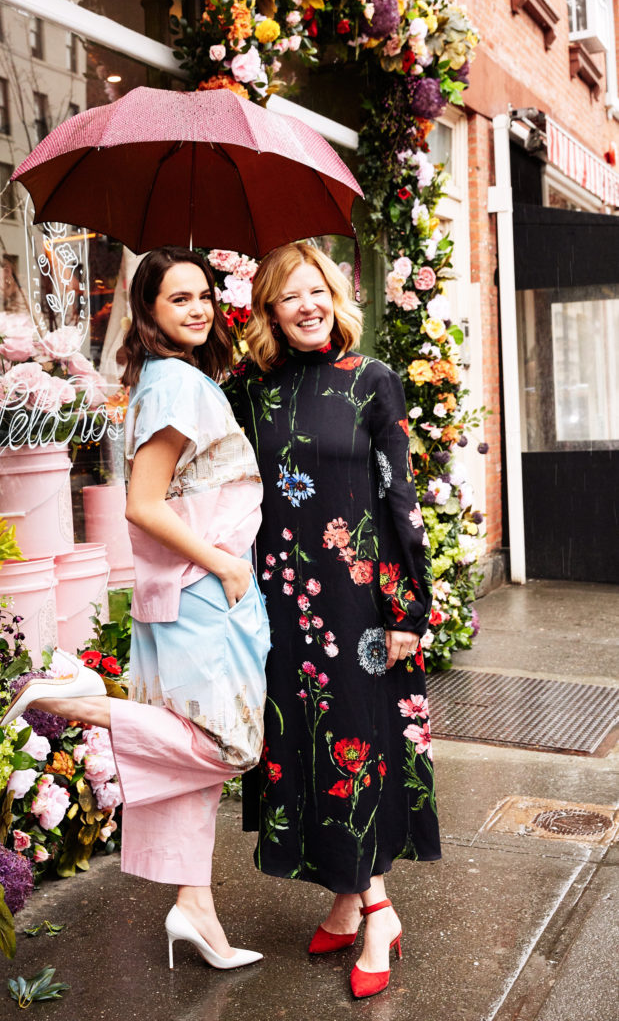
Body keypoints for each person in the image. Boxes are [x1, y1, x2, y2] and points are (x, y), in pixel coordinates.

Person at [2, 247, 270, 971]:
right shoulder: (178, 383)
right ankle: (82, 701)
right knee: (223, 744)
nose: (197, 307)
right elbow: (142, 504)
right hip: (203, 589)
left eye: (203, 294)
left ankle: (195, 910)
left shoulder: (167, 379)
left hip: (188, 590)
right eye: (177, 297)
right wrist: (221, 564)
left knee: (192, 760)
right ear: (147, 313)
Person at [223, 242, 440, 999]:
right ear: (269, 311)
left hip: (360, 605)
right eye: (289, 296)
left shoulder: (370, 380)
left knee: (358, 745)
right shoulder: (247, 392)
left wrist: (409, 605)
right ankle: (347, 901)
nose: (307, 306)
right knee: (302, 747)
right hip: (282, 600)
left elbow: (399, 499)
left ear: (335, 298)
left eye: (317, 290)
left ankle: (376, 909)